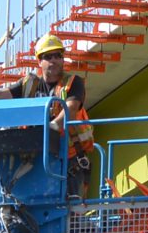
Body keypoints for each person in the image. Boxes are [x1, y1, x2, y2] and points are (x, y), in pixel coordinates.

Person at [17, 41, 98, 196]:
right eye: (48, 56)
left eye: (58, 56)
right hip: (36, 159)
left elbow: (71, 109)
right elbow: (3, 94)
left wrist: (53, 126)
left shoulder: (73, 83)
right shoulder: (29, 85)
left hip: (70, 161)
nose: (54, 60)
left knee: (70, 214)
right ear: (39, 61)